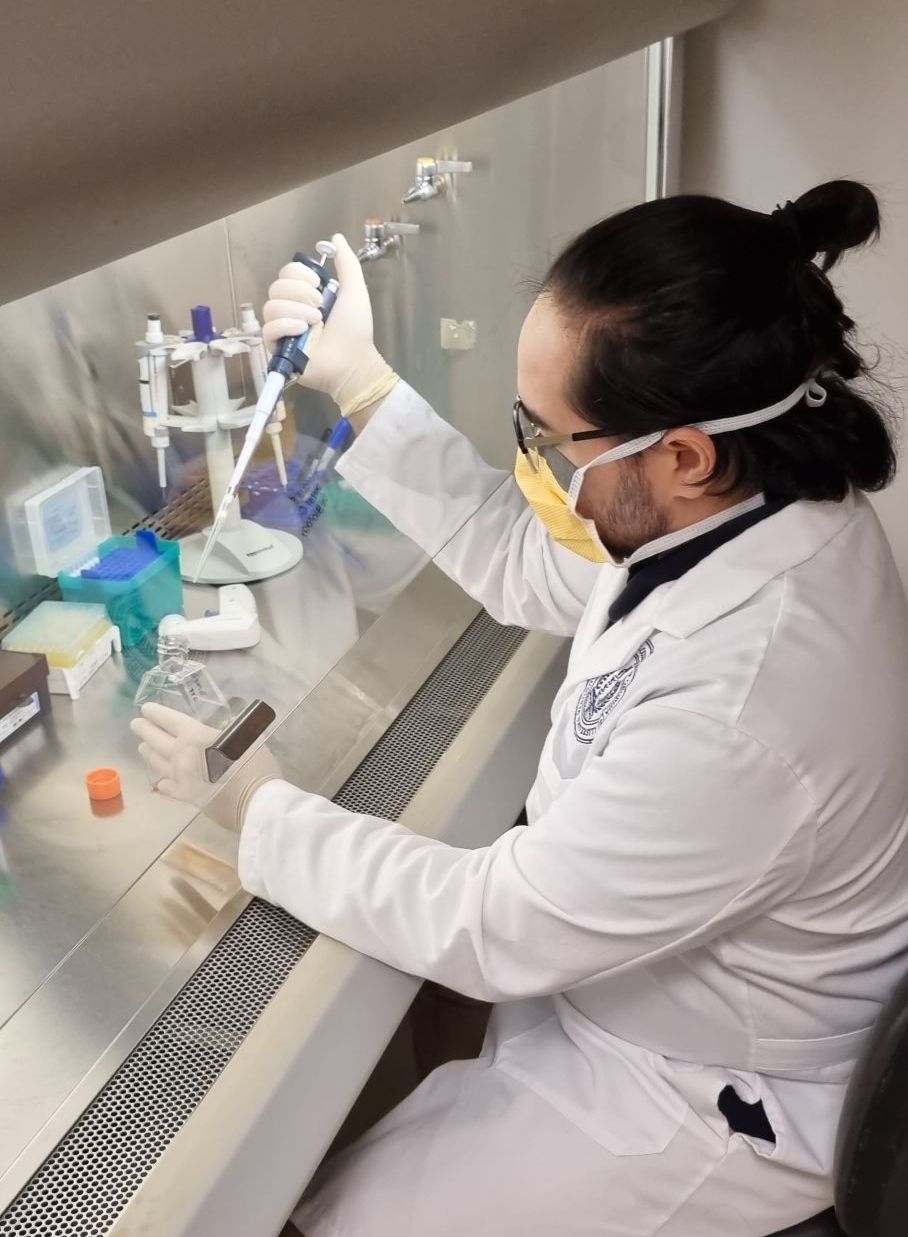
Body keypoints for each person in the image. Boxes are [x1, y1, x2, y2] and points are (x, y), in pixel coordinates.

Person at [133, 180, 908, 1236]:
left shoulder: (753, 690)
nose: (535, 462)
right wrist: (360, 383)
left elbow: (499, 924)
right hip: (633, 991)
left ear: (681, 452)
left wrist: (261, 813)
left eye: (550, 440)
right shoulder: (745, 504)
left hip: (702, 1092)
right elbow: (521, 561)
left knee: (333, 1221)